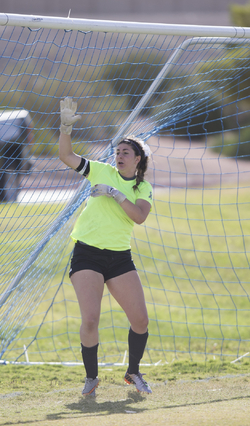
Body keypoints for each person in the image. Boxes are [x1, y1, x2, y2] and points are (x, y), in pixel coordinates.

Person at [58, 97, 154, 397]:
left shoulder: (142, 188)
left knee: (140, 320)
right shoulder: (99, 170)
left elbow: (138, 217)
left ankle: (133, 372)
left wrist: (115, 194)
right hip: (88, 253)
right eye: (118, 152)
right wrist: (65, 126)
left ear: (138, 159)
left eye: (126, 152)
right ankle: (91, 378)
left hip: (119, 258)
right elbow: (66, 155)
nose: (119, 156)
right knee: (90, 319)